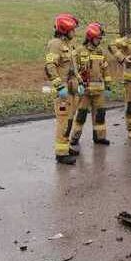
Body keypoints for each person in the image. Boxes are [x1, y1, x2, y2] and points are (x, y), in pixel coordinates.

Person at [44, 13, 83, 165]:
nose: (75, 32)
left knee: (69, 119)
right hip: (63, 92)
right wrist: (59, 86)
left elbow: (73, 68)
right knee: (63, 122)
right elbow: (49, 66)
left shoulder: (68, 45)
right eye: (73, 29)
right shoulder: (55, 44)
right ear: (65, 29)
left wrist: (79, 82)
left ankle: (66, 147)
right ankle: (61, 154)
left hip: (71, 90)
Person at [69, 23, 113, 146]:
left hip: (99, 91)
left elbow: (105, 69)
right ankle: (74, 138)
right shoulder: (79, 51)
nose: (99, 40)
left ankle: (99, 137)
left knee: (100, 115)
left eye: (100, 38)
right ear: (90, 37)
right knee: (81, 116)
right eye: (97, 38)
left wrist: (108, 85)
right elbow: (73, 70)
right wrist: (77, 85)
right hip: (85, 92)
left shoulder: (100, 52)